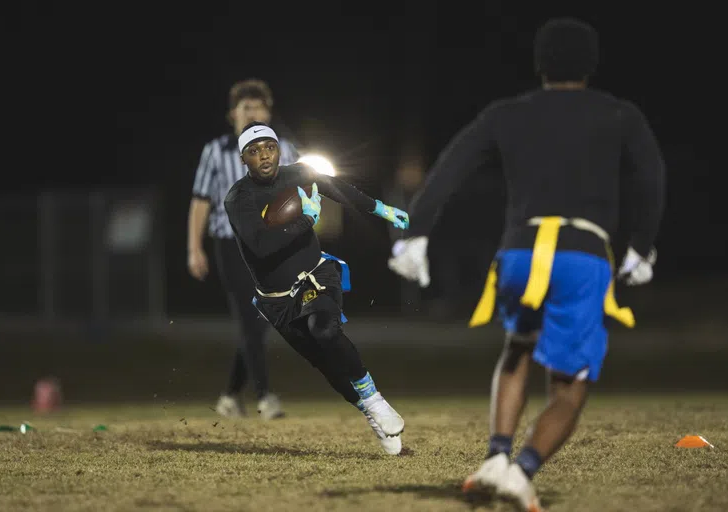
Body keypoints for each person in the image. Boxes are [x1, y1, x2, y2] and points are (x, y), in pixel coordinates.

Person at [388, 17, 665, 509]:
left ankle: (497, 455)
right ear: (592, 63)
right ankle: (522, 470)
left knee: (516, 350)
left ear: (539, 63)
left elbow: (449, 168)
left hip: (517, 253)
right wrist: (642, 246)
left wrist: (415, 234)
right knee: (570, 382)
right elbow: (653, 177)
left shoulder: (505, 113)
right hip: (581, 255)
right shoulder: (620, 113)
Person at [224, 121, 410, 455]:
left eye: (269, 147)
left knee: (323, 329)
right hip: (276, 301)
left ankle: (375, 399)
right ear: (243, 159)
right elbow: (261, 246)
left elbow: (336, 187)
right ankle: (370, 414)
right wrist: (305, 221)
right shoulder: (239, 198)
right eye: (254, 151)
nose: (263, 156)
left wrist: (381, 209)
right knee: (326, 364)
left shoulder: (296, 172)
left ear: (278, 150)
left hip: (315, 273)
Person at [188, 79, 300, 420]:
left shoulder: (286, 150)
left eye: (258, 107)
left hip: (274, 245)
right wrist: (194, 247)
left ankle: (230, 395)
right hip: (230, 243)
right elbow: (200, 200)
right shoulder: (216, 151)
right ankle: (265, 397)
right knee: (250, 316)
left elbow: (301, 196)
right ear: (232, 115)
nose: (252, 113)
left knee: (264, 317)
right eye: (245, 107)